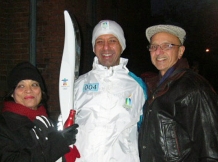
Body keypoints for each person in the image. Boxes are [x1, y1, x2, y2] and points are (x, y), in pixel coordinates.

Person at [138, 24, 218, 161]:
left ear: (180, 51)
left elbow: (211, 152)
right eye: (154, 46)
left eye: (167, 46)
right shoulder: (153, 87)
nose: (159, 51)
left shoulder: (194, 89)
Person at [73, 20, 147, 162]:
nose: (106, 47)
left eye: (112, 40)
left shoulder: (137, 86)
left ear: (122, 46)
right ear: (94, 48)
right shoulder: (78, 85)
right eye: (100, 41)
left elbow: (147, 131)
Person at [0, 62, 78, 162]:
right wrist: (59, 143)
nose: (29, 90)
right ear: (12, 93)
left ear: (41, 90)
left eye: (34, 84)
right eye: (21, 86)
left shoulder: (48, 123)